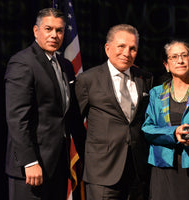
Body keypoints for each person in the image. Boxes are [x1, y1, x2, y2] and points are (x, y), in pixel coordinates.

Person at [4, 8, 86, 200]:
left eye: (59, 30)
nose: (54, 35)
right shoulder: (22, 63)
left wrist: (84, 154)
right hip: (31, 168)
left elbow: (70, 115)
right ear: (35, 30)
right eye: (48, 29)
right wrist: (29, 161)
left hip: (58, 166)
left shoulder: (65, 65)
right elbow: (17, 118)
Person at [75, 24, 153, 200]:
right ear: (107, 48)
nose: (127, 53)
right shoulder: (88, 79)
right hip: (102, 171)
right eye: (121, 46)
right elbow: (74, 123)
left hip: (137, 171)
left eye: (133, 48)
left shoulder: (145, 78)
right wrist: (92, 151)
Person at [141, 40, 189, 200]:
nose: (180, 60)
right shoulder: (156, 93)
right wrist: (174, 132)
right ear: (166, 65)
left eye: (184, 56)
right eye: (174, 57)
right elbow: (147, 128)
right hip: (164, 167)